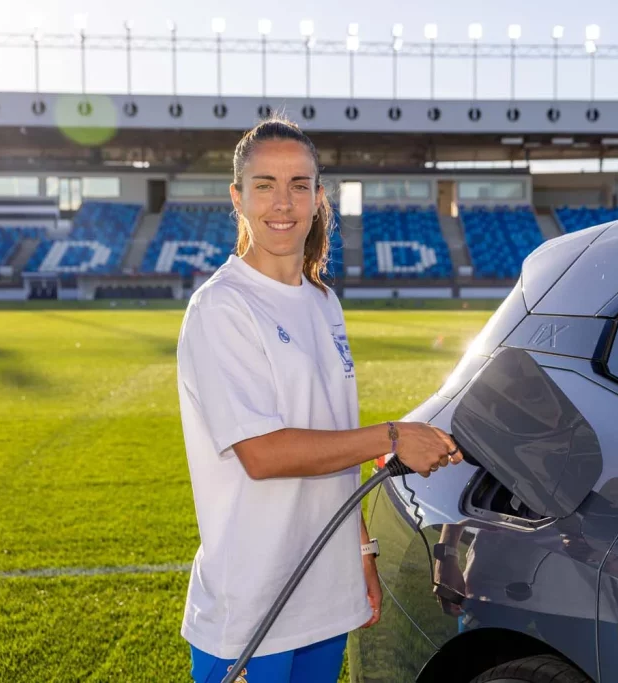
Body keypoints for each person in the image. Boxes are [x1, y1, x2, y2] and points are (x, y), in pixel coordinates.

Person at [175, 115, 461, 683]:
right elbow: (263, 454)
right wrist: (395, 437)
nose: (282, 203)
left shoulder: (324, 302)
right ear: (238, 197)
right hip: (254, 608)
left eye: (298, 185)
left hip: (324, 598)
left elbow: (333, 438)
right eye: (264, 185)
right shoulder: (222, 307)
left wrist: (360, 550)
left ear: (317, 196)